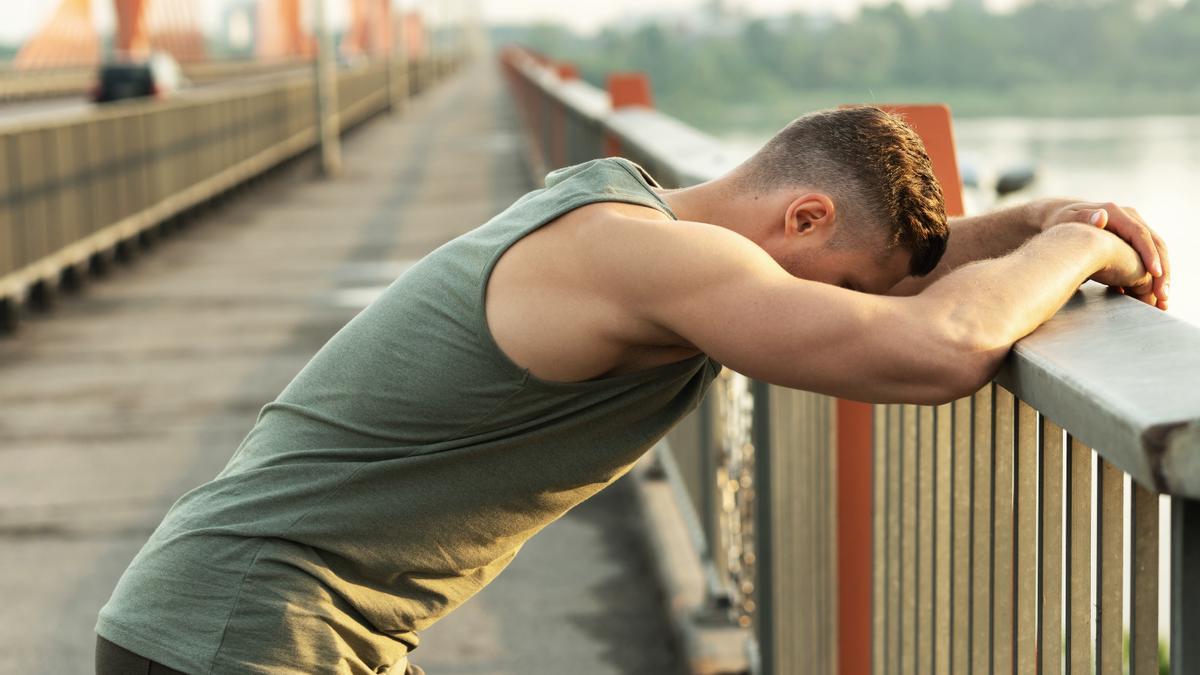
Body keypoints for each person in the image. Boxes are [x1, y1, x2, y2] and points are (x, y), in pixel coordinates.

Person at [94, 106, 1169, 674]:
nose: (840, 312)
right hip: (242, 638)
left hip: (290, 634)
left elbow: (909, 287)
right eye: (840, 285)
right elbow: (929, 349)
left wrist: (1035, 225)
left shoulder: (636, 225)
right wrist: (1079, 250)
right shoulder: (643, 260)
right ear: (802, 217)